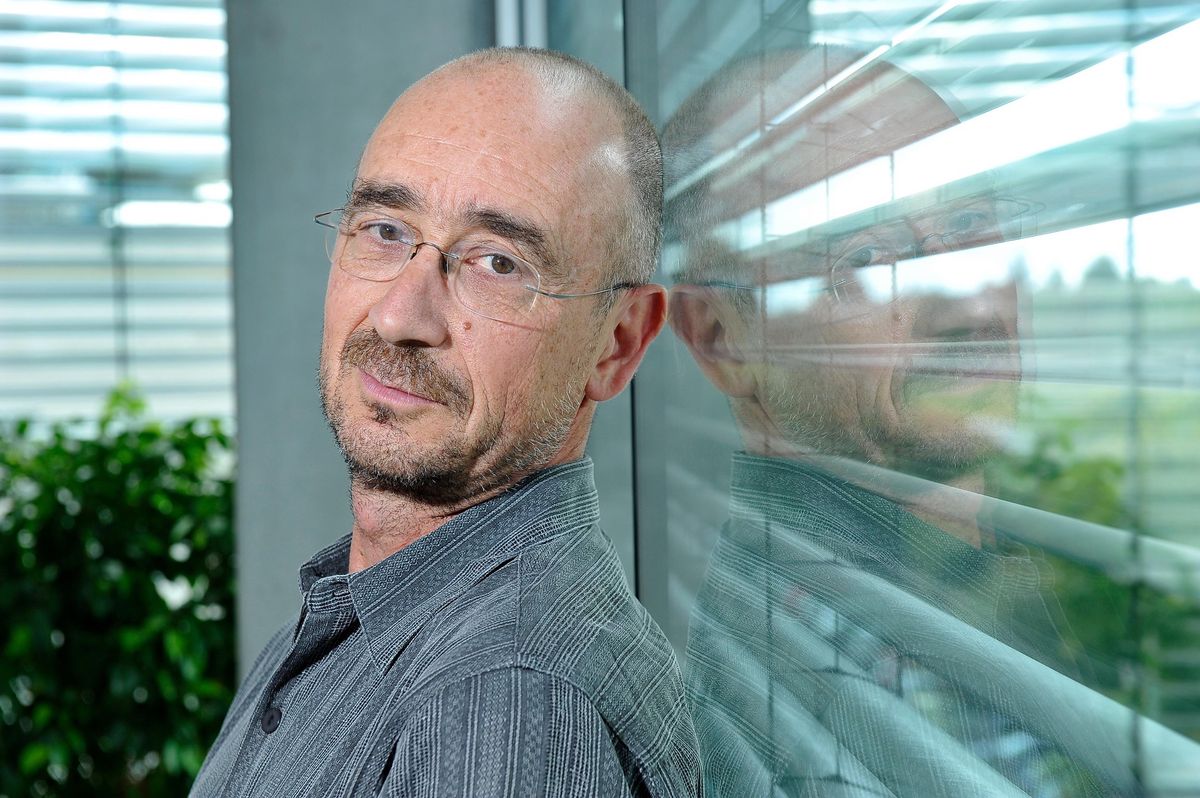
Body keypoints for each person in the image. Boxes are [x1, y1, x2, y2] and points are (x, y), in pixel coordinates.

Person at [191, 48, 701, 797]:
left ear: (617, 342)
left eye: (497, 263)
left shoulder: (506, 702)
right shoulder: (371, 612)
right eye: (385, 229)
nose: (400, 315)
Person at [666, 46, 1118, 796]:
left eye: (972, 220)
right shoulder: (834, 668)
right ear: (720, 336)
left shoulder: (995, 580)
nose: (971, 304)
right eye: (867, 254)